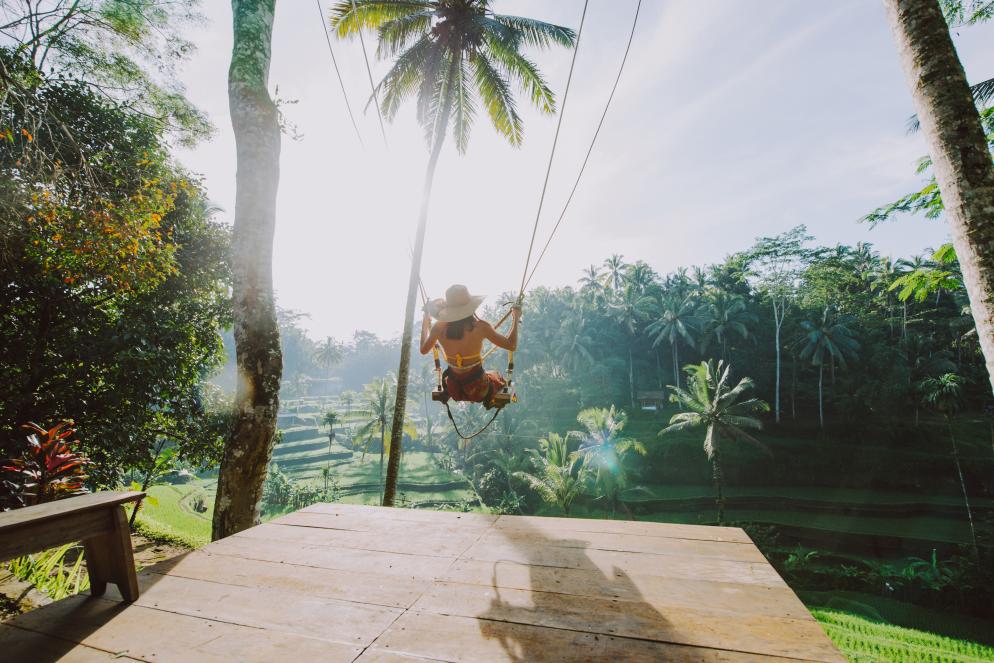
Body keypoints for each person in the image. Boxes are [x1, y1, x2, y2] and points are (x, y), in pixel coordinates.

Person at [420, 284, 521, 409]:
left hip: (454, 389)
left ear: (449, 308)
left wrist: (425, 321)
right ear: (470, 307)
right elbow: (511, 345)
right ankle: (494, 400)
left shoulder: (438, 327)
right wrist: (516, 318)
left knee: (488, 375)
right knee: (496, 376)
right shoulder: (480, 327)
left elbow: (423, 350)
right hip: (478, 389)